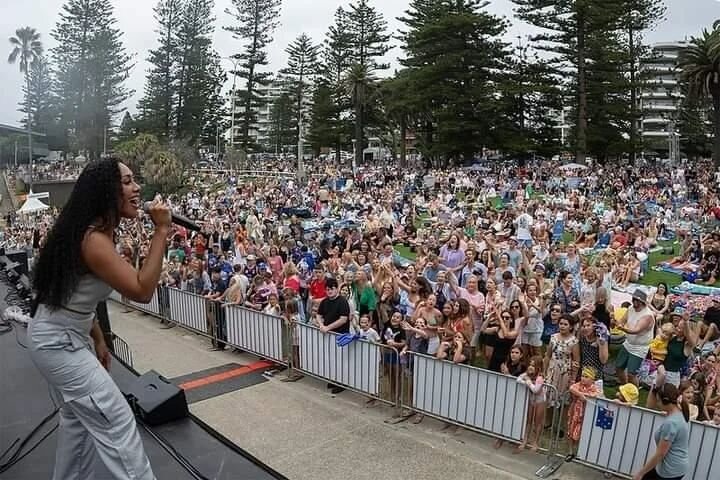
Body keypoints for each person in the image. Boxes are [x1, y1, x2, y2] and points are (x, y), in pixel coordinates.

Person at [29, 159, 169, 480]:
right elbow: (142, 289)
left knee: (78, 426)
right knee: (116, 421)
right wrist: (161, 230)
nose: (137, 189)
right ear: (107, 191)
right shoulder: (93, 240)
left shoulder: (91, 230)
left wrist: (97, 336)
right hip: (58, 345)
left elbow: (73, 293)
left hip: (63, 338)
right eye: (129, 182)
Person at [632, 384, 690, 480]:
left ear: (666, 401)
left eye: (658, 400)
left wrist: (640, 473)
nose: (657, 403)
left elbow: (660, 454)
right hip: (676, 465)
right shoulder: (680, 413)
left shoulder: (671, 423)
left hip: (670, 469)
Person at [616, 289, 655, 386]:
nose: (634, 302)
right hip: (628, 343)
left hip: (639, 348)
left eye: (637, 300)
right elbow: (622, 320)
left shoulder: (647, 315)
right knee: (618, 367)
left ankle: (634, 394)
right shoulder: (630, 309)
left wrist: (623, 329)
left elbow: (636, 330)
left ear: (642, 302)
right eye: (633, 299)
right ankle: (625, 387)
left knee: (631, 373)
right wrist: (618, 323)